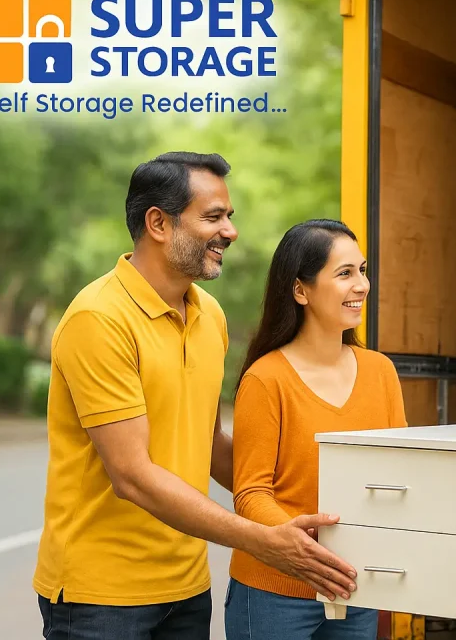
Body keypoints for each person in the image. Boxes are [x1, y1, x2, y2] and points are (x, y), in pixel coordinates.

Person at [33, 153, 357, 640]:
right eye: (213, 217)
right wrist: (263, 540)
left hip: (186, 587)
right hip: (100, 596)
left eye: (229, 217)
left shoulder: (209, 315)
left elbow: (207, 441)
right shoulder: (99, 319)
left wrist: (293, 521)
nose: (230, 231)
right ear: (158, 223)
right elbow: (132, 476)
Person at [224, 219, 408, 640]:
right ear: (300, 290)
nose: (361, 285)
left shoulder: (380, 372)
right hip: (274, 591)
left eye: (362, 270)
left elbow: (401, 477)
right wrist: (306, 547)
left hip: (354, 585)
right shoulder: (266, 379)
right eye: (344, 274)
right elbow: (250, 493)